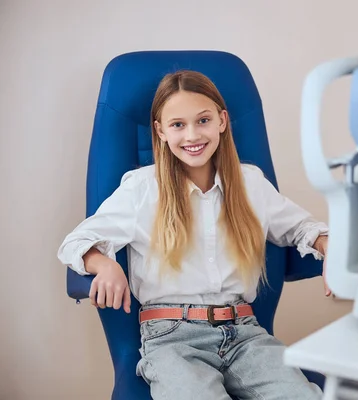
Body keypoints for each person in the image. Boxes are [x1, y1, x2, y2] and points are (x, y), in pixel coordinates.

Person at [57, 70, 330, 399]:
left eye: (203, 120)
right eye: (177, 125)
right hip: (172, 338)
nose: (192, 135)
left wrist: (327, 246)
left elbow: (303, 227)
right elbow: (75, 243)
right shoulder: (143, 188)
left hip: (246, 334)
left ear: (222, 121)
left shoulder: (250, 183)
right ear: (160, 130)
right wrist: (104, 264)